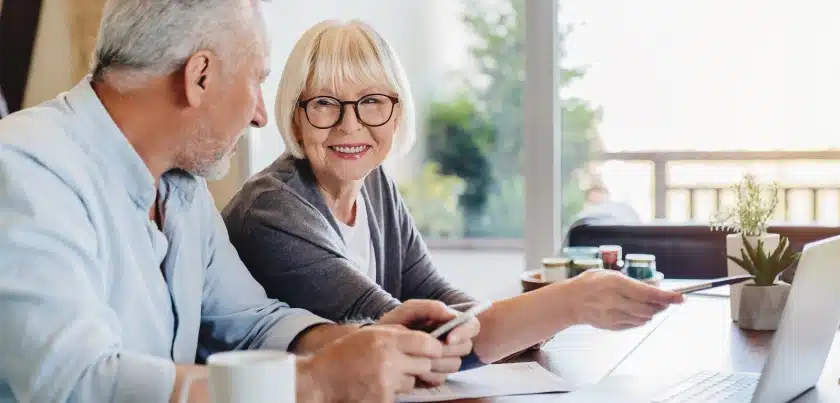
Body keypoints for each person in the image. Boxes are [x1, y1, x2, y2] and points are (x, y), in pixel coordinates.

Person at [0, 2, 479, 402]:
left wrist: (357, 343)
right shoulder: (26, 168)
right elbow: (74, 381)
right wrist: (312, 382)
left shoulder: (182, 191)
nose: (258, 114)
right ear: (200, 76)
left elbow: (250, 322)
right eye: (256, 81)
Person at [220, 18, 685, 367]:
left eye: (371, 102)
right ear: (295, 114)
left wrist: (523, 326)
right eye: (324, 103)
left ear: (397, 113)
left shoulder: (375, 185)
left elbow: (438, 297)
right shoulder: (273, 212)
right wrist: (568, 302)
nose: (350, 124)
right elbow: (412, 339)